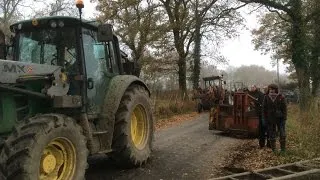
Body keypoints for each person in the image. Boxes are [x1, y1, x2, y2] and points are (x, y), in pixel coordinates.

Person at [263, 84, 287, 153]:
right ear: (269, 89)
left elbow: (284, 108)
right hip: (270, 119)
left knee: (282, 134)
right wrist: (264, 119)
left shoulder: (281, 97)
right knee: (271, 135)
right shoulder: (266, 97)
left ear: (276, 89)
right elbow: (264, 109)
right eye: (270, 89)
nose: (272, 90)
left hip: (280, 118)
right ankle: (274, 150)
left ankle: (283, 150)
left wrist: (284, 118)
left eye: (273, 89)